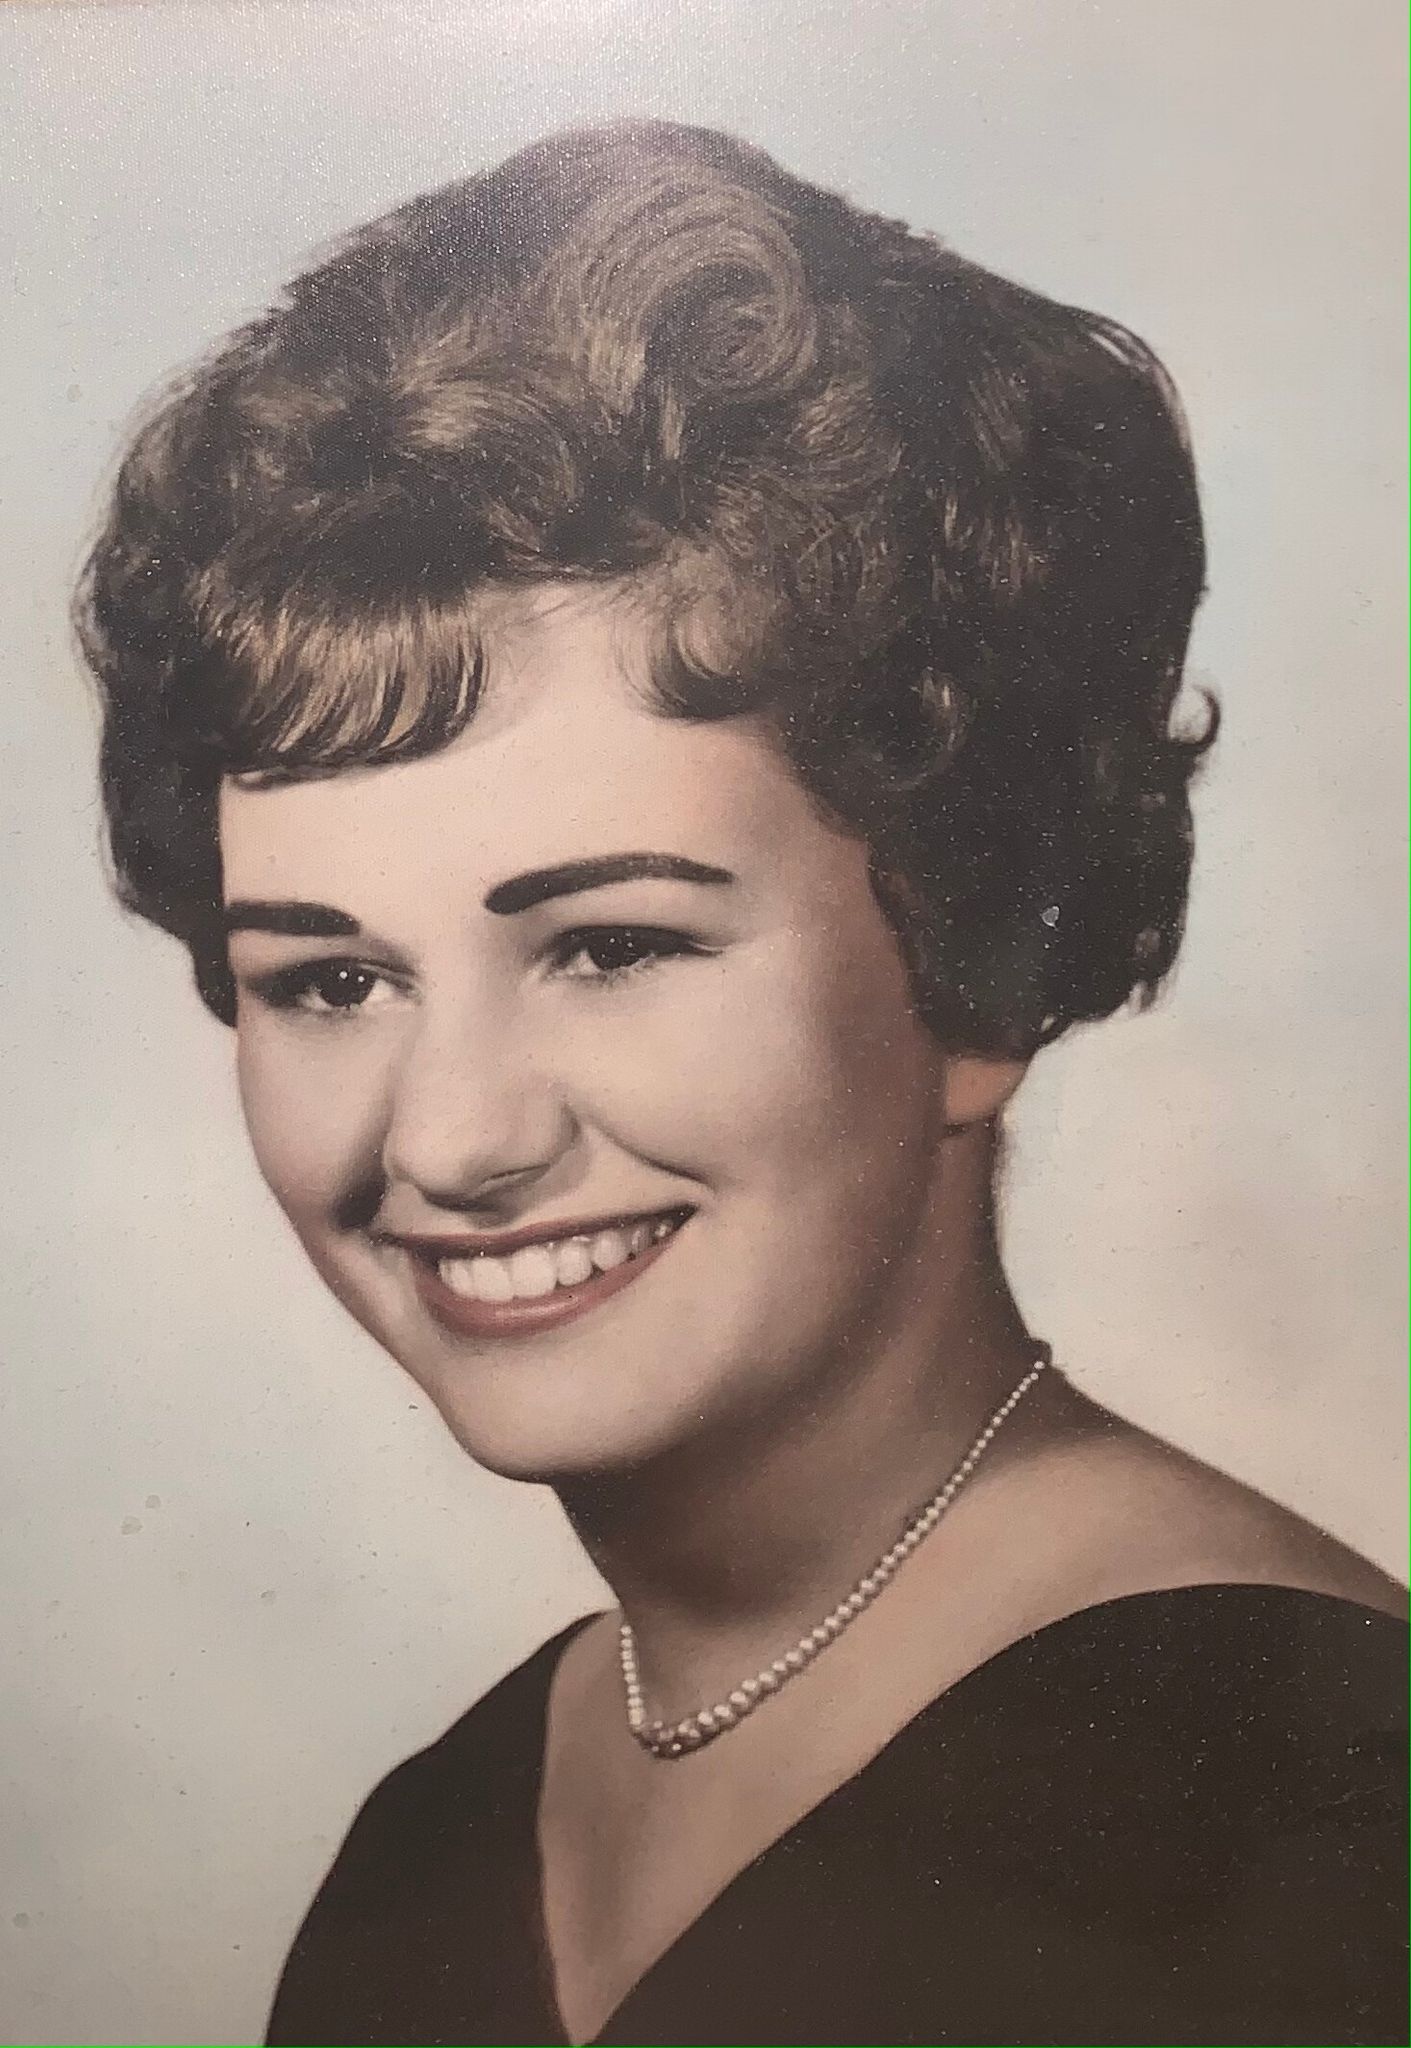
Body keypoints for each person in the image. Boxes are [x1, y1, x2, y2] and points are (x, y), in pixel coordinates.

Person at [77, 119, 1405, 2047]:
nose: (451, 1137)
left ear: (980, 964)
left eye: (612, 946)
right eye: (332, 980)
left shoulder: (1316, 1830)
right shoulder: (438, 1841)